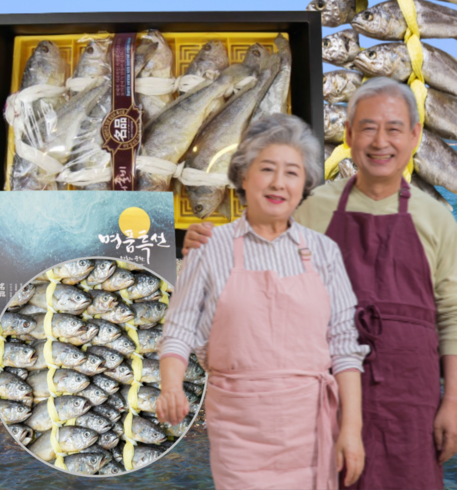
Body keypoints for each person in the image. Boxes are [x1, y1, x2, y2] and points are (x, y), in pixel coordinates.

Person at [182, 77, 457, 490]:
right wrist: (201, 241)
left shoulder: (437, 217)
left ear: (415, 136)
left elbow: (451, 317)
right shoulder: (314, 209)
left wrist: (451, 401)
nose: (380, 141)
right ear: (347, 135)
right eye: (367, 127)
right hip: (320, 398)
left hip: (410, 401)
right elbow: (254, 272)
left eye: (394, 128)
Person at [157, 114, 369, 490]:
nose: (278, 183)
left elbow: (345, 349)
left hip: (312, 430)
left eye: (291, 172)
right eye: (266, 169)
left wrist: (351, 430)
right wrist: (172, 386)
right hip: (239, 433)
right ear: (242, 176)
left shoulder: (324, 252)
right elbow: (178, 329)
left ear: (304, 184)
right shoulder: (209, 248)